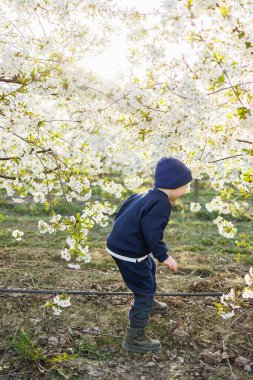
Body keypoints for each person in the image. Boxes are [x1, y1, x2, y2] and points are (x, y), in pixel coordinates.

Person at [105, 156, 193, 353]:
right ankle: (135, 336)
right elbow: (152, 234)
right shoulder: (162, 204)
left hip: (119, 244)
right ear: (175, 184)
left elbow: (123, 213)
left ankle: (149, 301)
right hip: (129, 252)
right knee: (143, 289)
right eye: (186, 185)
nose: (187, 190)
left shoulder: (144, 195)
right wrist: (164, 256)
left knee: (149, 266)